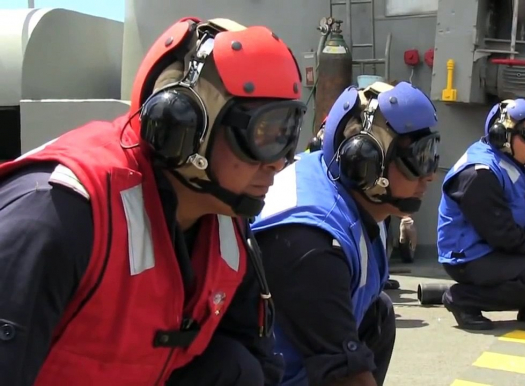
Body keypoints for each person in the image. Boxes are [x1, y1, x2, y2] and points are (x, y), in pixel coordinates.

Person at [0, 17, 306, 385]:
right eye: (263, 134)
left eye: (287, 135)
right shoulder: (59, 212)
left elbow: (254, 361)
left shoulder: (225, 221)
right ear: (184, 127)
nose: (279, 161)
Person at [251, 81, 440, 385]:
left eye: (432, 154)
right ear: (363, 160)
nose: (429, 174)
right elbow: (345, 375)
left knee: (377, 314)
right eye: (418, 159)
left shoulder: (338, 181)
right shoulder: (311, 244)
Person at [437, 98, 525, 331]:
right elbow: (505, 235)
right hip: (471, 257)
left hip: (497, 244)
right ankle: (463, 299)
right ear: (501, 135)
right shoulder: (479, 174)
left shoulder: (514, 161)